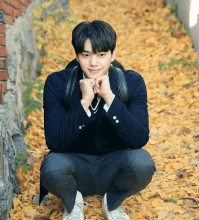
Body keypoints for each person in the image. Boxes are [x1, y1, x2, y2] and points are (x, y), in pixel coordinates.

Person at [39, 20, 156, 220]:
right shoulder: (57, 83)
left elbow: (139, 138)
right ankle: (72, 201)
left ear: (113, 54)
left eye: (101, 55)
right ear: (77, 56)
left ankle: (112, 202)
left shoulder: (132, 82)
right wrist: (84, 103)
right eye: (86, 55)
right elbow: (54, 142)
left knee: (143, 163)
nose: (94, 63)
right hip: (74, 167)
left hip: (114, 165)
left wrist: (110, 98)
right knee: (51, 167)